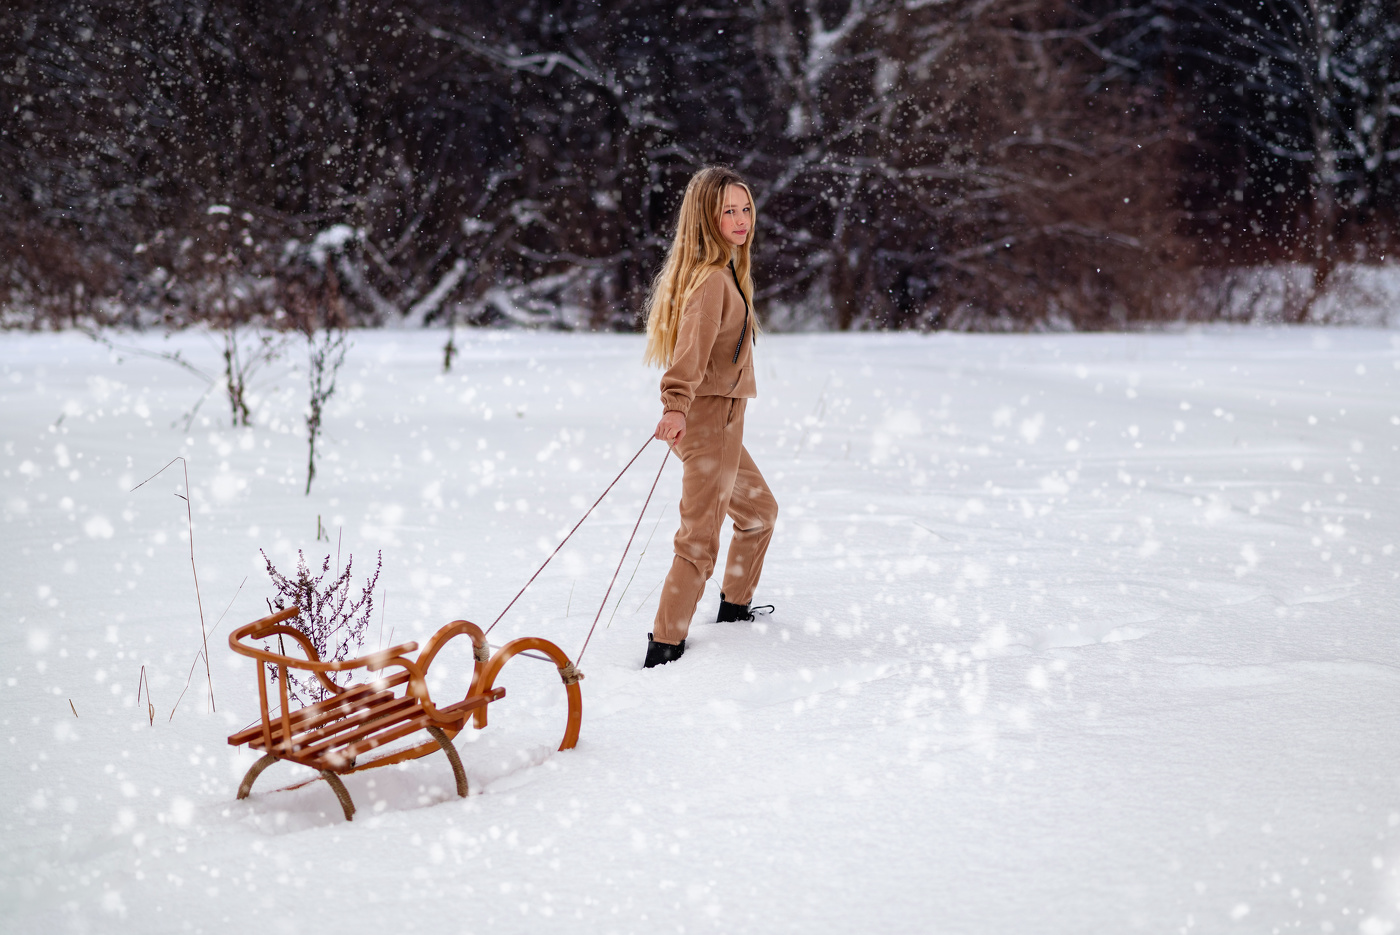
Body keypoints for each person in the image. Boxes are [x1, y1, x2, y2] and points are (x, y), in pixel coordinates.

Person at [640, 166, 779, 669]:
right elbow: (689, 355)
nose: (742, 220)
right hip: (707, 422)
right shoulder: (713, 283)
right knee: (699, 538)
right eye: (728, 212)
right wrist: (675, 407)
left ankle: (736, 609)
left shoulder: (726, 273)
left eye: (745, 209)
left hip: (723, 423)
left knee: (759, 513)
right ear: (706, 218)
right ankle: (665, 646)